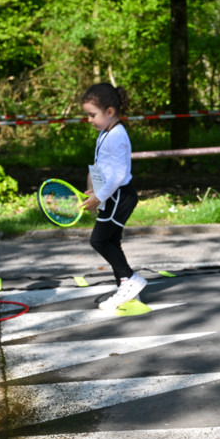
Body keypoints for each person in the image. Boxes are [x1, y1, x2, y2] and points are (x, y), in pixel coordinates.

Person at [80, 83, 146, 310]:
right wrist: (94, 190)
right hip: (112, 196)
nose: (89, 120)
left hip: (119, 197)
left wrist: (99, 197)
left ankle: (131, 279)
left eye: (92, 115)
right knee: (111, 242)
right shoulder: (106, 132)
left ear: (110, 111)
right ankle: (127, 289)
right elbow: (103, 167)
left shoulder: (117, 135)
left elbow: (118, 175)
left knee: (99, 240)